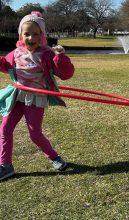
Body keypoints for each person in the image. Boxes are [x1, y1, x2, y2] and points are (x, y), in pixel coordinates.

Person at [0, 11, 74, 180]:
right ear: (21, 34)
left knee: (34, 134)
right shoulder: (16, 53)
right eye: (27, 34)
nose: (31, 38)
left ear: (42, 35)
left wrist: (60, 58)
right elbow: (4, 64)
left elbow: (65, 73)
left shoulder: (47, 54)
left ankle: (55, 157)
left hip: (35, 98)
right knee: (5, 129)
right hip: (17, 96)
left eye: (35, 34)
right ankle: (5, 165)